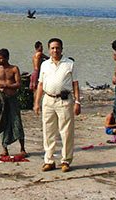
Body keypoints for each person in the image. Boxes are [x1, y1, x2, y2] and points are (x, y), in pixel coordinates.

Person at [34, 38, 81, 173]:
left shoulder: (69, 64)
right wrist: (37, 103)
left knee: (66, 132)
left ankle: (66, 160)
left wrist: (77, 102)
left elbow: (75, 84)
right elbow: (40, 84)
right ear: (49, 50)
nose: (55, 50)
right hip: (48, 100)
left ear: (62, 49)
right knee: (48, 131)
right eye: (52, 48)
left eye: (57, 48)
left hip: (64, 101)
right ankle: (49, 160)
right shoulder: (45, 65)